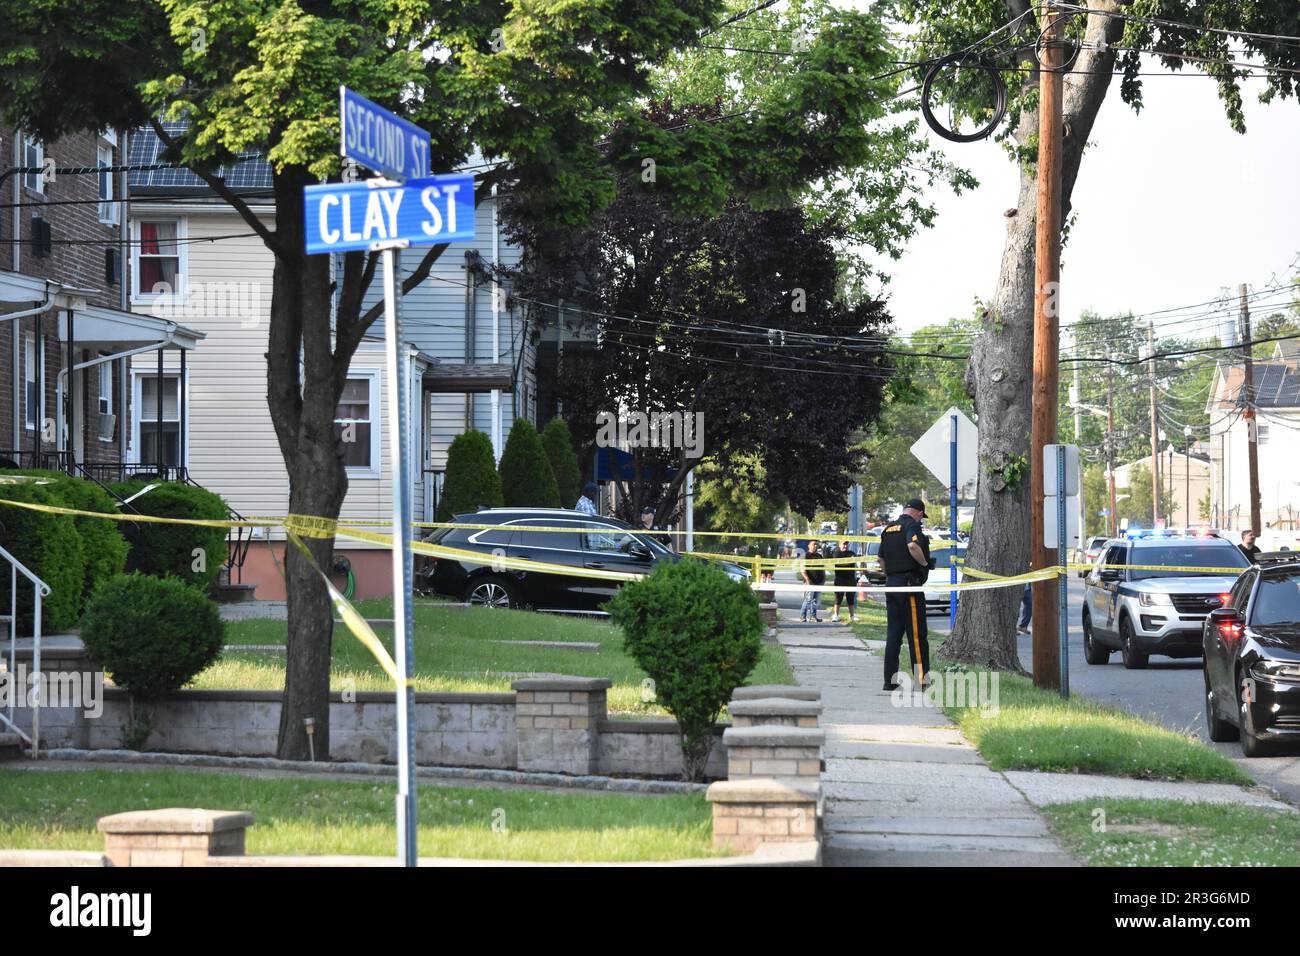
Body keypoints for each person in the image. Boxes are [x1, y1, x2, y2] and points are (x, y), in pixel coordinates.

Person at [877, 498, 934, 690]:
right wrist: (925, 563)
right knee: (917, 635)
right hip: (909, 587)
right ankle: (922, 680)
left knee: (893, 635)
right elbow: (912, 546)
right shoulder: (912, 526)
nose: (921, 520)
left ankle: (889, 681)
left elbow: (880, 558)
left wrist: (890, 575)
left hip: (892, 586)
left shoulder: (888, 529)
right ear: (917, 512)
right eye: (921, 516)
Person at [832, 538, 859, 624]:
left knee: (850, 598)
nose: (845, 546)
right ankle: (836, 615)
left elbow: (856, 561)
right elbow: (840, 563)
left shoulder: (851, 553)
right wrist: (849, 561)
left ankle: (852, 616)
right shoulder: (837, 553)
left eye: (846, 544)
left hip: (851, 579)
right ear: (839, 545)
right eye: (843, 544)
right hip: (840, 578)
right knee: (838, 598)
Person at [800, 539, 825, 623]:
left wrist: (823, 579)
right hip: (810, 582)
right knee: (808, 600)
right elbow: (802, 570)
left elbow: (822, 569)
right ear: (809, 546)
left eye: (816, 544)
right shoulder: (805, 556)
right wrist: (807, 580)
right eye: (813, 544)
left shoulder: (819, 556)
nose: (815, 546)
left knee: (815, 601)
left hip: (819, 581)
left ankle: (813, 616)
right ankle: (803, 616)